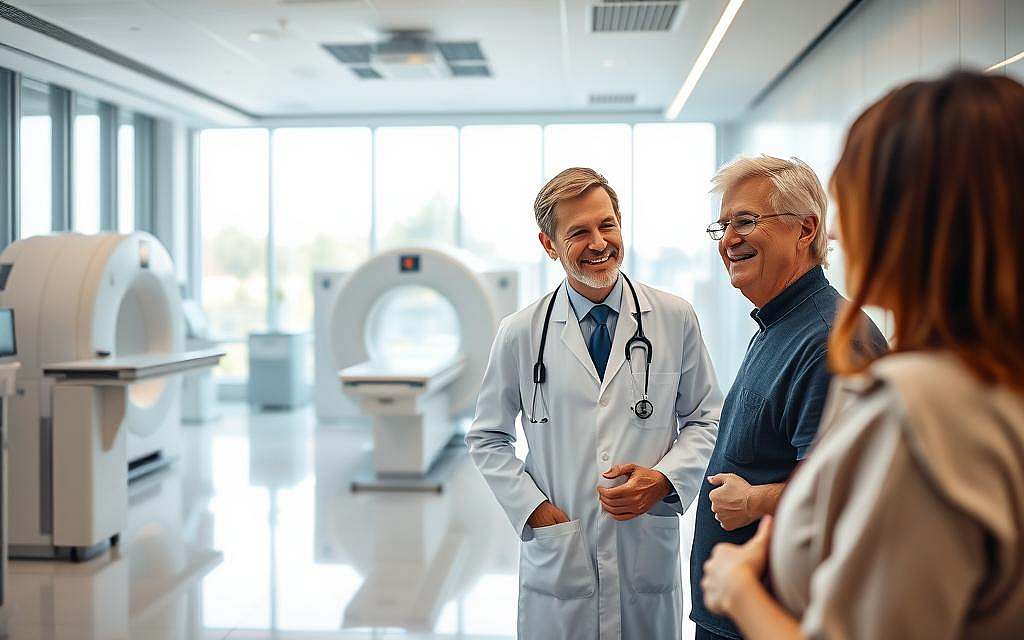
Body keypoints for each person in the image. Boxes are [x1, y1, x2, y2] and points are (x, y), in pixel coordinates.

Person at [701, 71, 1024, 639]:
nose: (842, 231)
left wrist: (737, 588)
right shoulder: (986, 376)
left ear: (915, 219)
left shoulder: (919, 408)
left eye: (855, 200)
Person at [466, 167, 723, 640]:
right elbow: (487, 436)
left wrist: (664, 480)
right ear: (549, 244)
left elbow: (706, 418)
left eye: (607, 225)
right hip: (562, 548)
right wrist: (534, 510)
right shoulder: (521, 332)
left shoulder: (673, 317)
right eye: (579, 232)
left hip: (643, 542)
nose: (599, 242)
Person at [689, 156, 887, 640]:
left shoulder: (829, 341)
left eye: (747, 221)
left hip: (775, 616)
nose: (730, 239)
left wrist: (756, 500)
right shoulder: (779, 322)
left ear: (805, 230)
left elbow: (847, 493)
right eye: (724, 225)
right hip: (738, 612)